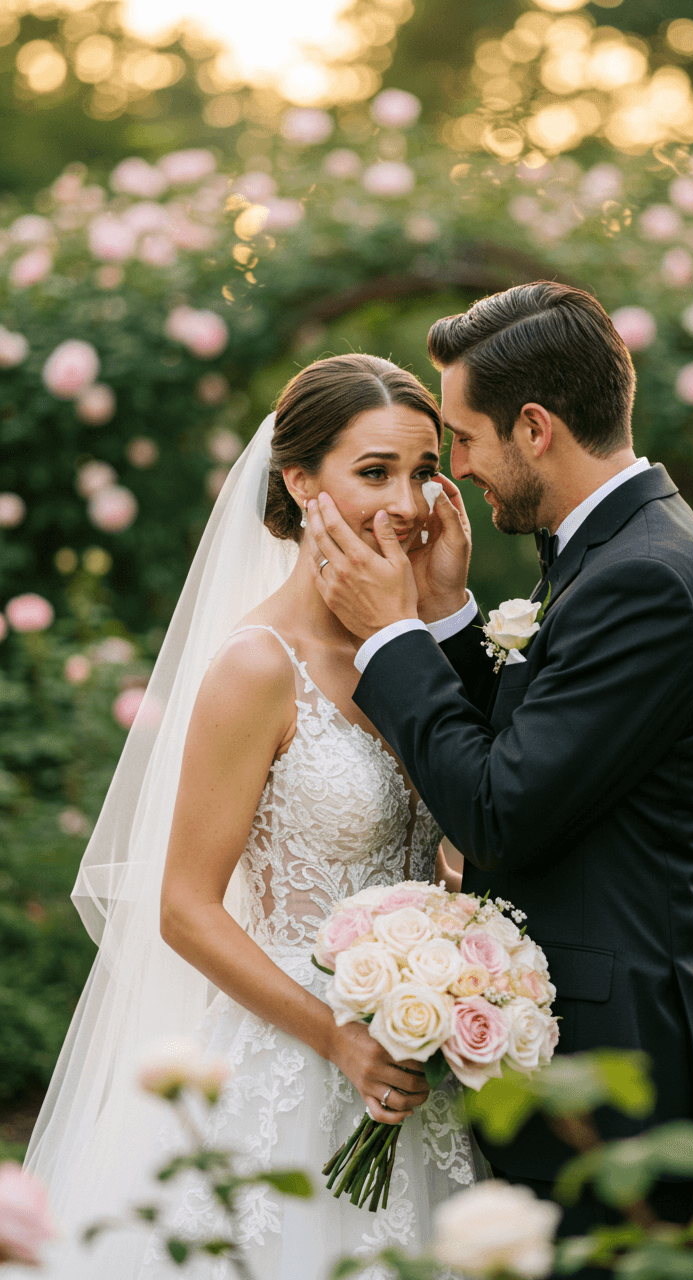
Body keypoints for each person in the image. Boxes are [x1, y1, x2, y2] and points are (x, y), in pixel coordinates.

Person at [304, 282, 693, 1246]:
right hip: (582, 1051)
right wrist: (455, 619)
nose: (454, 472)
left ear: (536, 427)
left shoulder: (644, 578)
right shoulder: (611, 551)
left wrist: (389, 635)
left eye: (463, 439)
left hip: (624, 1071)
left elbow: (500, 810)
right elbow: (541, 749)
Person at [21, 354, 481, 1280]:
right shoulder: (258, 665)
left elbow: (470, 834)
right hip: (290, 1064)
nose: (408, 501)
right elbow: (183, 908)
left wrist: (443, 619)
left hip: (414, 1059)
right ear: (300, 480)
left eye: (426, 470)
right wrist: (338, 1039)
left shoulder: (417, 655)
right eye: (374, 471)